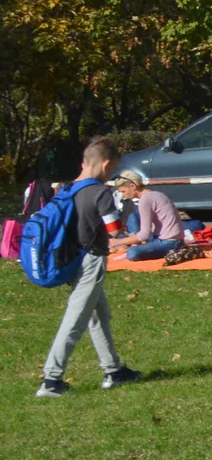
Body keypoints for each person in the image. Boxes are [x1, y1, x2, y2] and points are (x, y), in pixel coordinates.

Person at [38, 138, 138, 397]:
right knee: (76, 318)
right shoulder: (101, 192)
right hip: (91, 261)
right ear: (106, 164)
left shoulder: (70, 189)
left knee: (98, 314)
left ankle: (113, 370)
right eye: (113, 167)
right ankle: (52, 380)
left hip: (70, 259)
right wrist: (126, 211)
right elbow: (114, 231)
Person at [111, 170, 187, 262]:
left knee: (133, 252)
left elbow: (144, 235)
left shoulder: (145, 200)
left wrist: (117, 242)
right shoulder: (156, 194)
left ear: (132, 186)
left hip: (170, 243)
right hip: (175, 240)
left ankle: (130, 247)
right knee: (134, 215)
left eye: (123, 191)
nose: (123, 195)